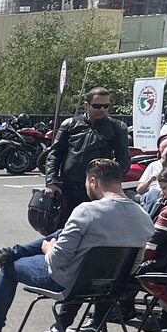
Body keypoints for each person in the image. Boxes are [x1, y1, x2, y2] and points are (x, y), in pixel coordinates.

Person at [0, 159, 153, 332]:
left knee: (9, 268)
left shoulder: (87, 211)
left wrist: (48, 249)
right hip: (109, 286)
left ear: (93, 181)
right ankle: (6, 252)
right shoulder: (143, 216)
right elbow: (134, 264)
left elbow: (56, 261)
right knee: (63, 233)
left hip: (69, 282)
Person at [44, 87, 130, 228]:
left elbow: (124, 160)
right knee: (61, 229)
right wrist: (51, 182)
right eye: (97, 106)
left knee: (93, 229)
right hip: (67, 188)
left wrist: (109, 185)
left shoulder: (117, 127)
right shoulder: (69, 124)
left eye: (106, 106)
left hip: (96, 189)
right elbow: (54, 155)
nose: (102, 109)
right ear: (86, 105)